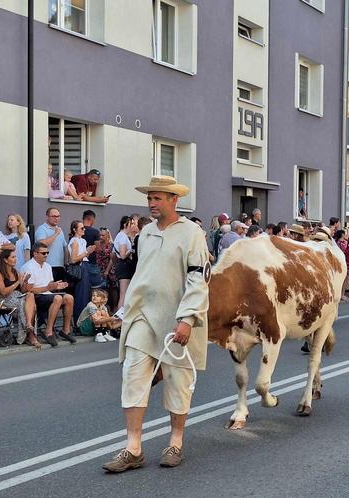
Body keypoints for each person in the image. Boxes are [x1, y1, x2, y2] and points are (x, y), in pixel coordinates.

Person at [102, 175, 210, 472]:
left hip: (176, 319)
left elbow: (199, 278)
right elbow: (142, 275)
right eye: (149, 198)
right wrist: (123, 310)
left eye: (157, 198)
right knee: (133, 376)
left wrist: (187, 319)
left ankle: (175, 443)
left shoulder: (192, 233)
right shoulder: (145, 233)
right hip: (142, 316)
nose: (151, 203)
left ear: (174, 200)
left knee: (178, 382)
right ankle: (133, 448)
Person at [21, 242, 75, 347]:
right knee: (58, 298)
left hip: (47, 294)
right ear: (35, 254)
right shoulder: (28, 267)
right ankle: (48, 331)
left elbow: (49, 284)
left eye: (47, 253)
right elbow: (29, 290)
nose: (46, 255)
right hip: (36, 296)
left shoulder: (48, 266)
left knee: (69, 298)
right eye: (43, 253)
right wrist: (48, 287)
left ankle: (66, 330)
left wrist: (56, 285)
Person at [0, 249, 38, 346]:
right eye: (13, 257)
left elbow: (22, 290)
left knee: (30, 294)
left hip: (19, 296)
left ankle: (29, 326)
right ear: (5, 260)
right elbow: (3, 292)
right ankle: (31, 335)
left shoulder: (16, 272)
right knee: (31, 306)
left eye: (15, 257)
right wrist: (18, 282)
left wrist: (24, 282)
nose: (15, 259)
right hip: (6, 299)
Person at [68, 220, 96, 323]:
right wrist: (87, 252)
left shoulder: (82, 241)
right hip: (80, 267)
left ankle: (85, 320)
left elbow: (83, 256)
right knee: (81, 295)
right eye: (81, 228)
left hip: (85, 265)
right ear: (75, 230)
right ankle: (79, 321)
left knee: (86, 294)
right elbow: (73, 259)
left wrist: (88, 252)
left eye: (84, 228)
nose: (84, 230)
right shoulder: (74, 241)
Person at [35, 207, 67, 282]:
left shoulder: (59, 230)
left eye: (58, 216)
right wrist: (55, 234)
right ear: (47, 217)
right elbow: (41, 244)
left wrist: (67, 262)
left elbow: (64, 247)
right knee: (49, 291)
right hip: (47, 266)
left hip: (60, 266)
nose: (56, 218)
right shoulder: (41, 229)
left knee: (60, 291)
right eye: (53, 216)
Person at [114, 216, 137, 310]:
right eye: (131, 223)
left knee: (124, 293)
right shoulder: (122, 236)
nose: (132, 226)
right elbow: (123, 255)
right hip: (124, 265)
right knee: (123, 294)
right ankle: (119, 317)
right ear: (125, 225)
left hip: (123, 265)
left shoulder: (121, 236)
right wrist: (131, 249)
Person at [96, 227, 118, 311]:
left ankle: (115, 306)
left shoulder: (111, 245)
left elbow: (112, 259)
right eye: (100, 235)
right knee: (103, 289)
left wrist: (107, 270)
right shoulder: (98, 244)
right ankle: (105, 306)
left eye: (103, 235)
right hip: (100, 268)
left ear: (107, 235)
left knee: (113, 288)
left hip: (109, 268)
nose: (101, 237)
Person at [82, 210, 103, 289]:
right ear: (92, 219)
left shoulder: (77, 230)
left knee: (83, 288)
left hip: (79, 264)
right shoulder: (95, 232)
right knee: (96, 288)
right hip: (92, 263)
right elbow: (97, 249)